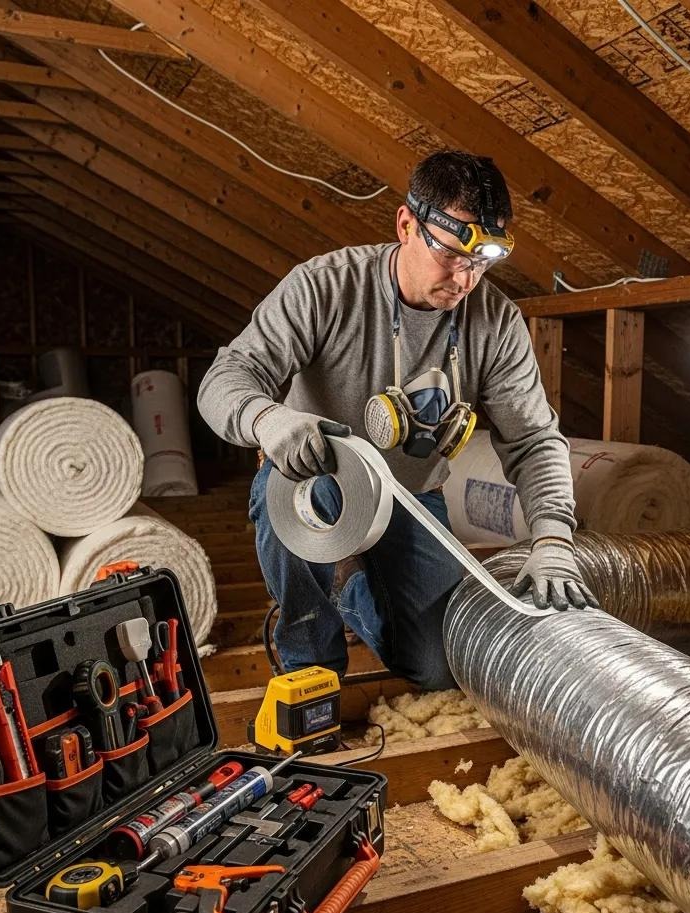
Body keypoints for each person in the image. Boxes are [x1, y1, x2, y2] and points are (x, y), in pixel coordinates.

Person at [198, 150, 596, 691]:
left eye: (482, 263)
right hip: (318, 482)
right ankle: (311, 667)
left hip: (412, 496)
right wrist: (267, 421)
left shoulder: (496, 322)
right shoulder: (325, 287)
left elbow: (532, 439)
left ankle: (350, 578)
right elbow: (226, 377)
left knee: (436, 668)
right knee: (297, 507)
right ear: (407, 224)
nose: (464, 279)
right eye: (453, 255)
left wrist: (552, 538)